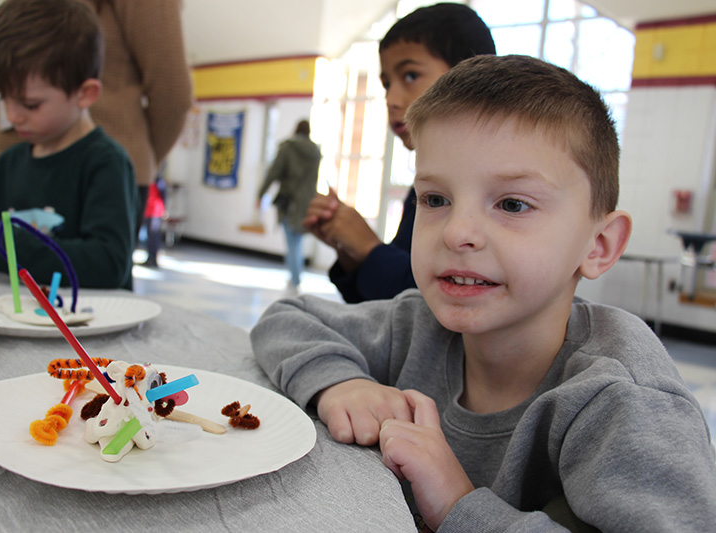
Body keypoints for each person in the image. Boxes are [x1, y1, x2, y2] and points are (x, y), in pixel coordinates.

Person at [251, 55, 716, 531]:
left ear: (597, 246)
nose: (458, 232)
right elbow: (287, 320)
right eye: (436, 200)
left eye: (512, 204)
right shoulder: (418, 326)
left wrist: (459, 506)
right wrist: (340, 384)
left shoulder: (622, 400)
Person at [0, 0, 138, 289]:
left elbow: (109, 265)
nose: (12, 115)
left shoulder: (105, 161)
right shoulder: (9, 163)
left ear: (85, 94)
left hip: (84, 328)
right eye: (4, 98)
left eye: (30, 104)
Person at [303, 4, 495, 303]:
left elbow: (448, 302)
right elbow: (393, 310)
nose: (391, 99)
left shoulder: (494, 182)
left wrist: (370, 249)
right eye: (386, 83)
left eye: (410, 75)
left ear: (470, 77)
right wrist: (351, 252)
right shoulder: (428, 181)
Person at [0, 0, 193, 232]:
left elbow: (172, 93)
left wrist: (124, 167)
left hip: (101, 171)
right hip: (22, 165)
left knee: (84, 262)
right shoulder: (11, 160)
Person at [258, 119, 321, 290]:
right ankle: (296, 275)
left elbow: (273, 172)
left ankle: (294, 278)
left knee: (291, 241)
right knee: (297, 240)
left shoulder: (287, 148)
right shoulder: (315, 152)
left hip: (290, 200)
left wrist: (261, 193)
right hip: (307, 202)